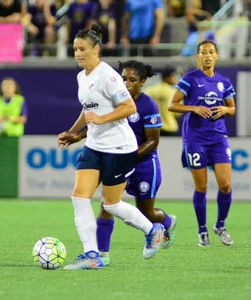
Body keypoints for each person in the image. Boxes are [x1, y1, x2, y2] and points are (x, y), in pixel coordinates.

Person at [57, 25, 164, 270]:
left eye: (82, 49)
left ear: (96, 50)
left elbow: (129, 107)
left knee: (111, 204)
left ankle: (152, 230)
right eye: (75, 49)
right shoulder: (81, 77)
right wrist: (74, 133)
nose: (78, 53)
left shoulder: (108, 75)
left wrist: (103, 119)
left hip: (119, 148)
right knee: (79, 197)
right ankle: (92, 255)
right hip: (95, 146)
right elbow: (88, 110)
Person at [168, 40, 236, 247]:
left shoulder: (224, 82)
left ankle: (220, 225)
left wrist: (225, 109)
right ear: (198, 56)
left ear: (216, 56)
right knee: (202, 186)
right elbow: (172, 104)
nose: (207, 55)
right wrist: (194, 109)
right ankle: (202, 230)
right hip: (195, 139)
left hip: (218, 138)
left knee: (225, 185)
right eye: (203, 52)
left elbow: (232, 108)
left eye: (211, 52)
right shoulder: (189, 79)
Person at [145, 65, 181, 136]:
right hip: (169, 128)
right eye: (174, 76)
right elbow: (177, 113)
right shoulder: (174, 93)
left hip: (152, 128)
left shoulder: (148, 91)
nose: (176, 79)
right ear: (168, 77)